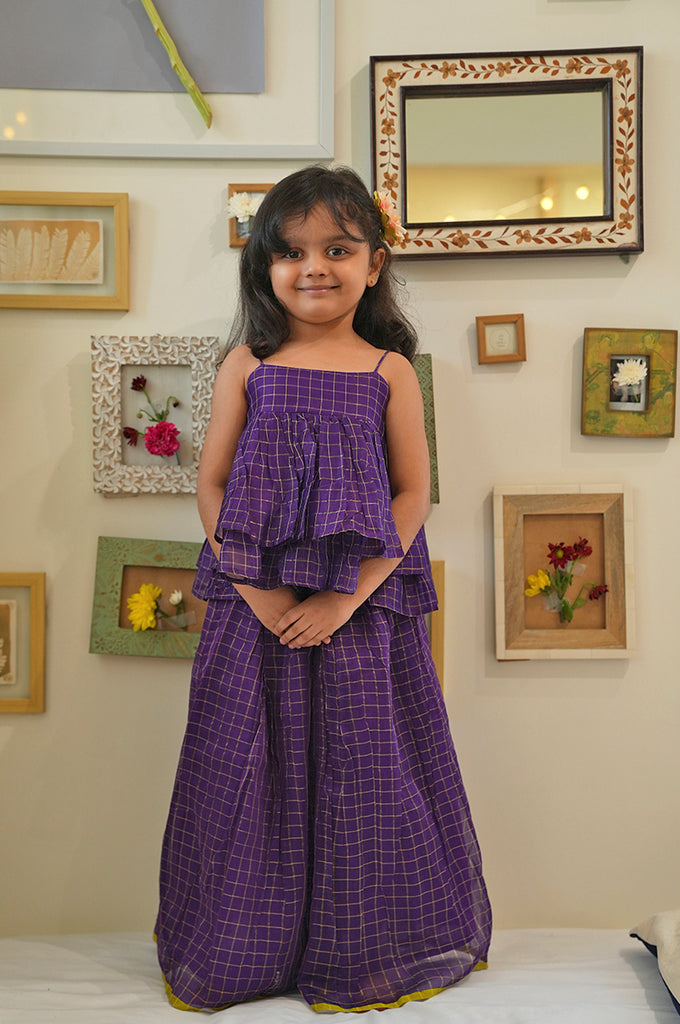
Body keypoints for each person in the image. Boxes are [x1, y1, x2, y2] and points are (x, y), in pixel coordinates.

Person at [155, 165, 491, 1014]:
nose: (314, 266)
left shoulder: (390, 370)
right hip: (251, 613)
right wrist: (263, 597)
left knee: (366, 780)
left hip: (362, 618)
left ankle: (358, 956)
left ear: (372, 264)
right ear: (263, 265)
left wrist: (342, 599)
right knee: (242, 775)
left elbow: (411, 496)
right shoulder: (249, 362)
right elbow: (212, 487)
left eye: (338, 249)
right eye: (291, 250)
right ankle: (244, 956)